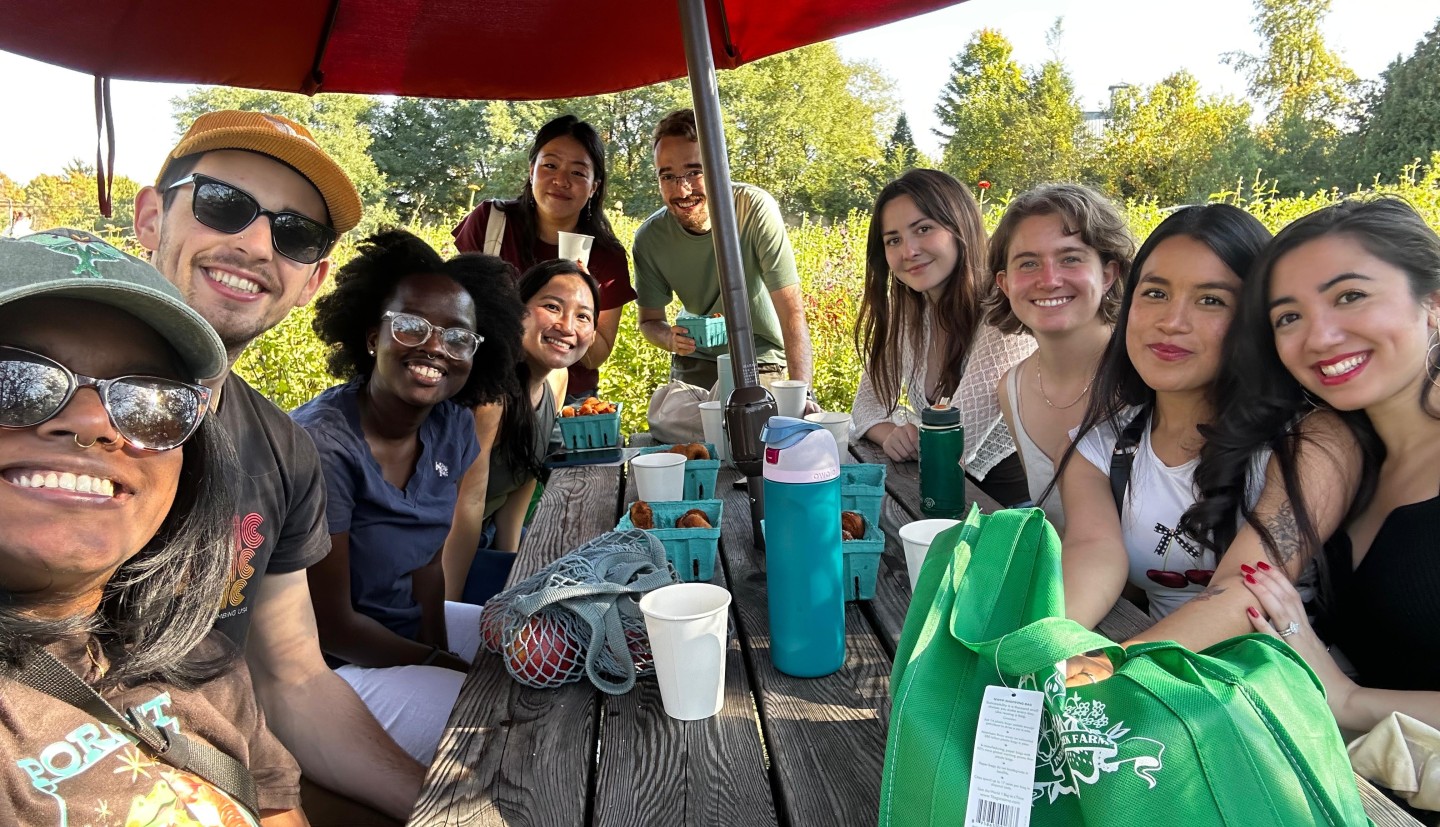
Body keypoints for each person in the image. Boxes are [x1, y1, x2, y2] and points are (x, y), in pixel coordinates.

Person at [132, 110, 423, 821]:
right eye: (223, 205)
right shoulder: (44, 415)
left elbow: (293, 676)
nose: (257, 243)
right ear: (150, 218)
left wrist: (446, 809)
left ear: (312, 278)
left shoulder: (284, 449)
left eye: (295, 233)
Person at [0, 230, 304, 825]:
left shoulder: (197, 659)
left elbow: (275, 807)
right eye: (16, 379)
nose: (93, 423)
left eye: (149, 401)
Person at [1054, 204, 1358, 654]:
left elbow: (1245, 589)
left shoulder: (1312, 440)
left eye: (1211, 300)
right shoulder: (1101, 447)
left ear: (1255, 320)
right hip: (1154, 690)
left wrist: (1109, 668)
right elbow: (1092, 549)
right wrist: (1046, 644)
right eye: (1155, 293)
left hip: (1273, 698)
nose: (1172, 322)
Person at [290, 230, 526, 760]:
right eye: (412, 327)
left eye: (458, 338)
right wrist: (441, 666)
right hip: (328, 669)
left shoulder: (451, 427)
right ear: (374, 334)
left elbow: (426, 564)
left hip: (396, 634)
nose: (434, 348)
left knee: (538, 647)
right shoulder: (323, 448)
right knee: (496, 727)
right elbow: (332, 625)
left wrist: (437, 647)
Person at [1228, 198, 1440, 733]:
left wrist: (1348, 700)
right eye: (1289, 317)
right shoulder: (1349, 454)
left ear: (1433, 302)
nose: (1319, 337)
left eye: (1351, 296)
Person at [851, 169, 1036, 506]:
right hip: (941, 496)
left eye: (923, 229)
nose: (908, 251)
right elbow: (865, 408)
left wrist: (913, 436)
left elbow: (954, 439)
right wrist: (892, 433)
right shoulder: (911, 314)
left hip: (1011, 516)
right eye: (893, 239)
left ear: (959, 227)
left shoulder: (1002, 313)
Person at [444, 259, 600, 604]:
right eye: (552, 307)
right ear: (517, 312)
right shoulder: (491, 398)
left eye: (583, 316)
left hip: (485, 538)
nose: (566, 326)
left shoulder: (557, 380)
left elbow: (523, 479)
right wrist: (447, 612)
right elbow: (465, 506)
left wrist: (514, 572)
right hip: (440, 548)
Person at [633, 108, 817, 399]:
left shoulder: (753, 209)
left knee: (757, 428)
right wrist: (668, 337)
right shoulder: (650, 238)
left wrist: (803, 395)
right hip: (695, 363)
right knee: (674, 426)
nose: (682, 190)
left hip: (761, 359)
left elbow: (791, 311)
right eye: (667, 176)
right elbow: (648, 321)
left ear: (719, 167)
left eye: (694, 172)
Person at [452, 114, 635, 400]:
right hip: (488, 388)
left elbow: (595, 357)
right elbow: (456, 310)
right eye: (550, 165)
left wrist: (581, 301)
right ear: (531, 170)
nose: (561, 180)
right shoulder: (490, 222)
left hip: (568, 400)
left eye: (577, 172)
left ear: (594, 187)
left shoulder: (606, 256)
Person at [988, 184, 1134, 531]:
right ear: (1005, 284)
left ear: (1108, 274)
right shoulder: (1013, 390)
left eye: (1070, 258)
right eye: (1028, 263)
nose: (1049, 280)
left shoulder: (1146, 375)